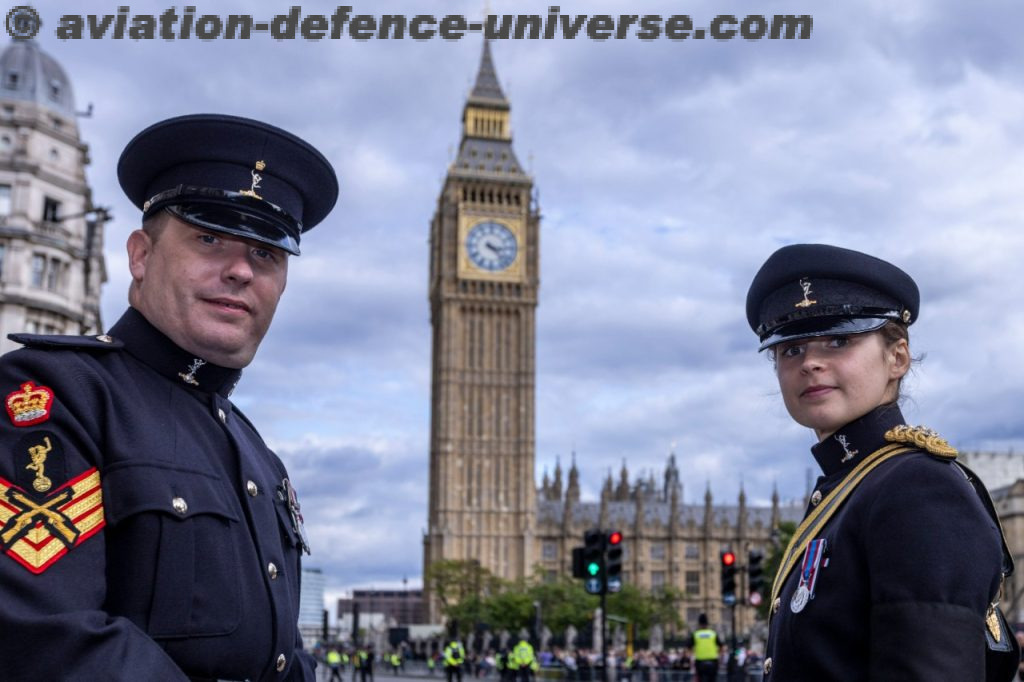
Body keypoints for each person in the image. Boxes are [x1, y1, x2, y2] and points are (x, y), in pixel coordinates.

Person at [0, 114, 338, 680]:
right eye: (209, 238)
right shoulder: (54, 395)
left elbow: (280, 657)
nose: (239, 271)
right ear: (140, 256)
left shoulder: (258, 455)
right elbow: (44, 638)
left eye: (266, 255)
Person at [746, 243, 1019, 680]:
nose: (810, 362)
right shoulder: (852, 487)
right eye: (791, 349)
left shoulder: (917, 490)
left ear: (897, 357)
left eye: (839, 340)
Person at [689, 614, 718, 682]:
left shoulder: (696, 634)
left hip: (700, 661)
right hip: (713, 660)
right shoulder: (713, 633)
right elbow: (722, 646)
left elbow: (688, 647)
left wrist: (692, 655)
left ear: (699, 624)